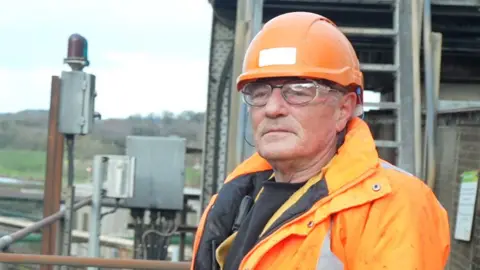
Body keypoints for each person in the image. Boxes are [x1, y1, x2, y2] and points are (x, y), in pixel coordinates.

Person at [190, 11, 450, 270]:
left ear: (343, 109)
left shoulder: (395, 206)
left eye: (298, 91)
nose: (272, 108)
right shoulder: (236, 197)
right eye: (259, 92)